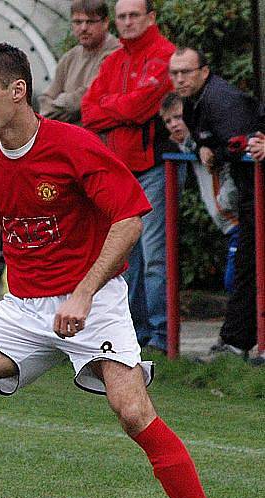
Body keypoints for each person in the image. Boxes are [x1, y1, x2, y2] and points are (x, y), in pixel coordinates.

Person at [0, 42, 234, 498]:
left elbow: (129, 219)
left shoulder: (74, 145)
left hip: (96, 301)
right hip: (23, 306)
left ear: (17, 92)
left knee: (132, 411)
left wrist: (84, 292)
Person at [81, 0, 175, 353]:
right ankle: (135, 335)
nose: (128, 21)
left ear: (151, 18)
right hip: (119, 172)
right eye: (122, 16)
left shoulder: (164, 55)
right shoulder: (114, 60)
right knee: (126, 259)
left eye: (135, 15)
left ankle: (165, 338)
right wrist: (122, 108)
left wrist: (116, 106)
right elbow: (89, 112)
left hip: (151, 168)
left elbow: (140, 108)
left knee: (154, 257)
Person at [169, 47, 261, 361]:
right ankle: (236, 340)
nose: (179, 79)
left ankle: (236, 341)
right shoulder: (195, 102)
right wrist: (206, 146)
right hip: (248, 196)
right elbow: (215, 139)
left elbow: (239, 144)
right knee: (247, 267)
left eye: (186, 72)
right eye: (174, 73)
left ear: (204, 72)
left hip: (255, 193)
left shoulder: (222, 100)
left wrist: (215, 151)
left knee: (249, 267)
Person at [159, 92, 239, 293]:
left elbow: (230, 169)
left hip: (237, 219)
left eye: (178, 117)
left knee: (235, 282)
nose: (173, 125)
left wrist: (226, 202)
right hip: (229, 224)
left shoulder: (209, 141)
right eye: (168, 121)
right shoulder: (189, 146)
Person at [38, 0, 119, 125]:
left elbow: (87, 97)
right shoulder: (69, 57)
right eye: (77, 22)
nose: (83, 28)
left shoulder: (116, 53)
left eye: (90, 22)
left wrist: (61, 101)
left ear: (105, 22)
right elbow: (46, 98)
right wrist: (60, 107)